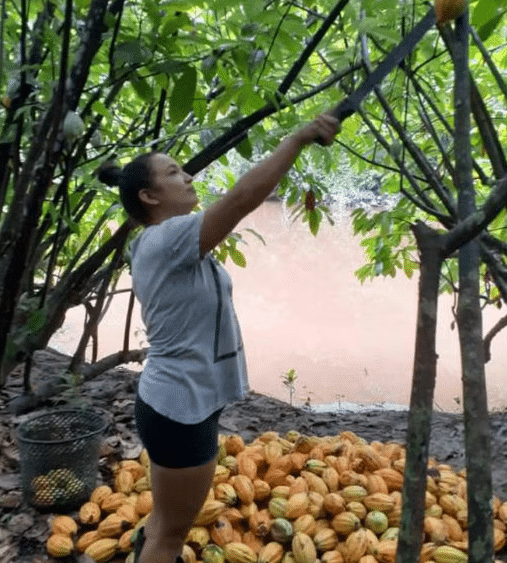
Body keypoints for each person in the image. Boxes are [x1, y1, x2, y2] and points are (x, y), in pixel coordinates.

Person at [97, 112, 340, 563]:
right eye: (173, 173)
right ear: (149, 196)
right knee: (172, 532)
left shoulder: (167, 242)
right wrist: (298, 139)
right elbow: (243, 198)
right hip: (178, 409)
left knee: (164, 520)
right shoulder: (165, 239)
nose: (187, 177)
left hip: (184, 403)